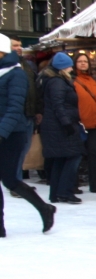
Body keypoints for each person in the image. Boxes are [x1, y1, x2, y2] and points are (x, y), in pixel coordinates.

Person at [0, 32, 53, 235]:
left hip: (14, 133)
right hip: (4, 130)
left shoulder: (17, 74)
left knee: (10, 180)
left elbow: (15, 108)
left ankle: (44, 208)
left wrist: (2, 133)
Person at [40, 52, 84, 205]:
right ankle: (65, 192)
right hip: (60, 126)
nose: (72, 68)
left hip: (57, 125)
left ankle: (56, 193)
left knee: (60, 159)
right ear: (62, 67)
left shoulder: (55, 80)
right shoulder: (58, 82)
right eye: (69, 65)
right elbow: (58, 105)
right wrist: (66, 123)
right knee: (74, 156)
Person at [73, 52, 96, 194]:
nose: (83, 64)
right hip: (79, 124)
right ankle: (72, 184)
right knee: (75, 155)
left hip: (95, 123)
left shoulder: (93, 81)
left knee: (95, 154)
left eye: (85, 61)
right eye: (80, 61)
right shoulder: (72, 81)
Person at [10, 38, 39, 186]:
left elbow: (32, 88)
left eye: (20, 45)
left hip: (28, 114)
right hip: (15, 115)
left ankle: (17, 181)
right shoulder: (7, 67)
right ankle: (15, 183)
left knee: (24, 150)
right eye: (15, 45)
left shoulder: (26, 65)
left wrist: (37, 111)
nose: (19, 48)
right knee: (16, 151)